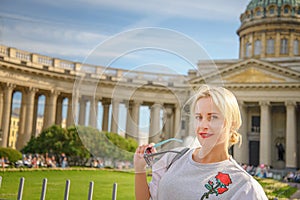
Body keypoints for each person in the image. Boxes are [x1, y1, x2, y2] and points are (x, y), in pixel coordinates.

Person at [134, 85, 268, 200]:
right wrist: (139, 169)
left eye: (213, 117)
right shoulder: (173, 157)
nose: (203, 125)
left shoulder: (245, 186)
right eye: (199, 117)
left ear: (232, 123)